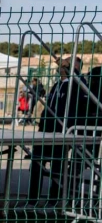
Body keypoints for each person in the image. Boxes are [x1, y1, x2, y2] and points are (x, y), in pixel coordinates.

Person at [29, 56, 83, 201]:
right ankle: (32, 199)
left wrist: (72, 71)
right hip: (46, 132)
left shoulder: (77, 84)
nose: (60, 66)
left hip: (61, 132)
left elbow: (82, 82)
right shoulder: (57, 84)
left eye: (66, 65)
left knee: (57, 167)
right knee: (36, 164)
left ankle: (54, 200)